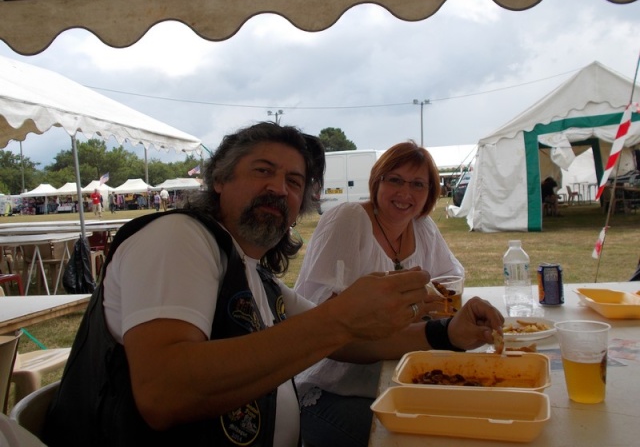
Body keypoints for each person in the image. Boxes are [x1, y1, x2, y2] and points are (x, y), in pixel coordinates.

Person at [43, 123, 503, 447]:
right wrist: (340, 319)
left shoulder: (258, 280)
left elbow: (348, 342)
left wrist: (446, 332)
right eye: (263, 171)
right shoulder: (179, 236)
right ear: (219, 179)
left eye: (294, 181)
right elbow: (164, 392)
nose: (280, 189)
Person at [294, 141, 471, 447]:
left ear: (430, 192)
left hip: (397, 379)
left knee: (463, 418)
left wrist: (428, 304)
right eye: (395, 180)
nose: (405, 193)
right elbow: (322, 317)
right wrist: (423, 309)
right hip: (333, 388)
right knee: (420, 439)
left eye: (417, 184)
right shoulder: (349, 219)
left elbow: (450, 281)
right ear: (377, 181)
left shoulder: (422, 227)